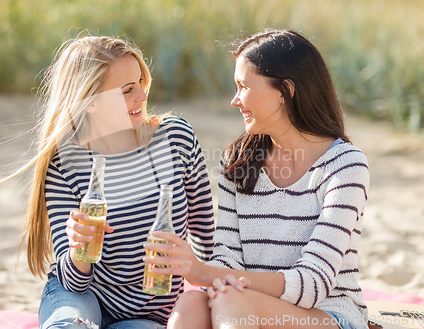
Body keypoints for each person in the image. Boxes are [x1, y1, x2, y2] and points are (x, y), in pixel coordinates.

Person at [142, 29, 370, 329]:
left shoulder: (345, 165)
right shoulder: (238, 161)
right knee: (192, 304)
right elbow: (227, 259)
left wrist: (205, 274)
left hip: (329, 316)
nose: (235, 100)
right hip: (244, 306)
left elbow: (313, 284)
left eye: (244, 86)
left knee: (231, 301)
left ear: (284, 91)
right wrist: (215, 277)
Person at [7, 35, 215, 328]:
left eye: (140, 82)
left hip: (147, 310)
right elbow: (75, 282)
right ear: (89, 102)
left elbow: (206, 237)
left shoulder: (175, 139)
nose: (142, 97)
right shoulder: (65, 162)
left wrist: (213, 295)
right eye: (127, 90)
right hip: (81, 295)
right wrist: (80, 247)